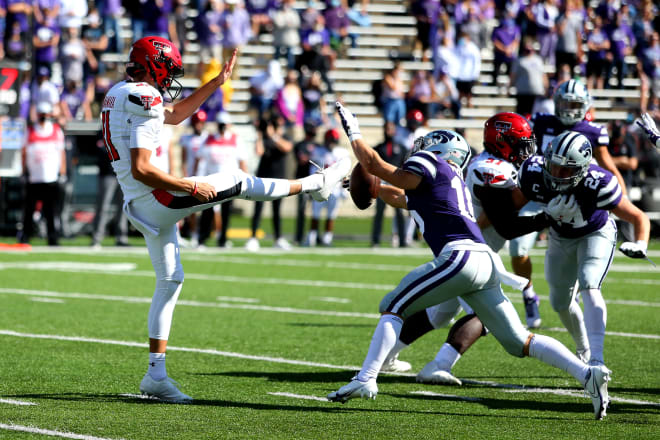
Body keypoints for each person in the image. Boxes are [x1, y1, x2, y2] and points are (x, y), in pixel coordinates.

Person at [101, 36, 350, 402]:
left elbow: (175, 115)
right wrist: (188, 185)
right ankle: (315, 184)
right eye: (168, 69)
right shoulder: (144, 96)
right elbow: (141, 168)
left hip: (139, 203)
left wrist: (216, 84)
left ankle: (156, 374)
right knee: (236, 179)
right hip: (155, 196)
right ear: (153, 64)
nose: (170, 78)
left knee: (170, 280)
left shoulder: (121, 92)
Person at [329, 102, 611, 421]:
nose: (420, 150)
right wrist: (359, 186)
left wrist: (353, 133)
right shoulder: (447, 181)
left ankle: (366, 378)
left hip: (460, 257)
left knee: (392, 305)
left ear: (440, 149)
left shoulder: (431, 164)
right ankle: (587, 374)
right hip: (483, 262)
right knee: (519, 341)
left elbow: (377, 166)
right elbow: (397, 194)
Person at [381, 113, 542, 383]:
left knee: (439, 313)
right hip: (474, 254)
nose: (524, 150)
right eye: (518, 143)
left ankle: (386, 357)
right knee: (483, 314)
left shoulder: (495, 165)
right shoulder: (491, 169)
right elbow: (504, 223)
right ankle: (438, 365)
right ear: (502, 141)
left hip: (465, 250)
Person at [517, 131, 650, 369]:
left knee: (589, 282)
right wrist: (545, 216)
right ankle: (584, 349)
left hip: (595, 233)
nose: (557, 173)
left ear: (582, 168)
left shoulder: (598, 182)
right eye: (553, 165)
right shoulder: (533, 173)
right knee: (559, 302)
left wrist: (641, 244)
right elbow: (510, 216)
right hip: (560, 237)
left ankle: (597, 359)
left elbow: (639, 217)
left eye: (566, 169)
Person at [531, 79, 628, 196]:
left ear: (585, 105)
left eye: (574, 105)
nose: (568, 110)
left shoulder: (593, 132)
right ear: (556, 102)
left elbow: (610, 169)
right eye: (564, 104)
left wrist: (624, 198)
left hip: (576, 192)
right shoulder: (540, 121)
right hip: (542, 185)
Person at [194, 111, 248, 247]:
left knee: (226, 212)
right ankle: (202, 238)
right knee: (207, 210)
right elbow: (200, 158)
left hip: (230, 182)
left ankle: (222, 239)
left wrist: (246, 179)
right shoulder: (209, 139)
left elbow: (242, 161)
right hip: (212, 181)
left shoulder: (236, 139)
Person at [245, 113, 296, 252]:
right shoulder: (265, 138)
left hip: (278, 178)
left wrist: (274, 135)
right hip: (263, 178)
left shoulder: (283, 137)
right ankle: (253, 238)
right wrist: (261, 135)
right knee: (258, 209)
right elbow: (259, 151)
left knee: (277, 210)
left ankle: (278, 238)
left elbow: (287, 148)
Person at [19, 102, 66, 246]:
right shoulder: (30, 131)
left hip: (51, 177)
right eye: (41, 114)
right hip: (34, 177)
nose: (43, 117)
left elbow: (61, 152)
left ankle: (53, 237)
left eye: (45, 114)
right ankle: (25, 236)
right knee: (29, 209)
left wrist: (62, 172)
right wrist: (24, 171)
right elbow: (24, 152)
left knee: (51, 210)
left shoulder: (56, 130)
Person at [305, 128, 349, 246]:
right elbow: (312, 170)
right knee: (315, 214)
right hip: (320, 187)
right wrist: (311, 186)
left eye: (333, 140)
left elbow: (344, 173)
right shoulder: (318, 151)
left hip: (335, 189)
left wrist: (343, 189)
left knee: (331, 215)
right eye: (330, 140)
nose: (331, 143)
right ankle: (311, 238)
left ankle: (327, 239)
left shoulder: (342, 153)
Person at [371, 122, 406, 248]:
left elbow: (404, 166)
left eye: (390, 129)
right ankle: (375, 240)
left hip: (397, 184)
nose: (388, 132)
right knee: (379, 212)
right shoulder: (378, 148)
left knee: (400, 214)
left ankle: (403, 241)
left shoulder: (401, 149)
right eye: (386, 129)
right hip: (382, 183)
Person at [91, 130, 129, 248]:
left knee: (123, 207)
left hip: (123, 173)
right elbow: (102, 150)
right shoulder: (102, 131)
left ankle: (121, 237)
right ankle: (97, 237)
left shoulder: (124, 129)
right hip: (107, 173)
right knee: (103, 205)